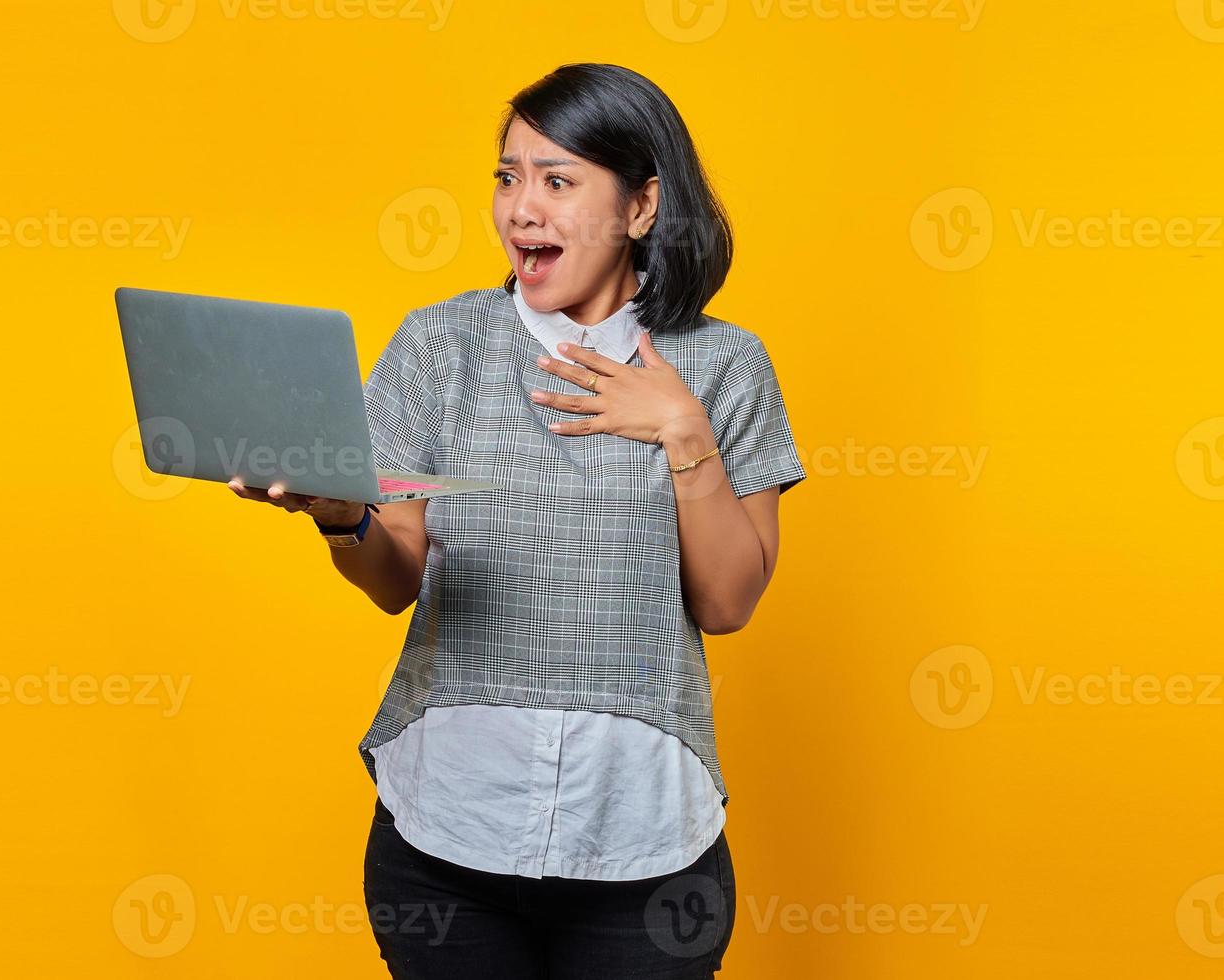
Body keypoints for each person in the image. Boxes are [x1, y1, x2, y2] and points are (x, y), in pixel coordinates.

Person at [227, 63, 806, 980]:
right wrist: (343, 519)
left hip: (644, 844)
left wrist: (682, 430)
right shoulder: (438, 345)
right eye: (507, 177)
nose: (519, 209)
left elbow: (729, 601)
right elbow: (395, 578)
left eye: (557, 179)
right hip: (449, 831)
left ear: (642, 207)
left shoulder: (725, 365)